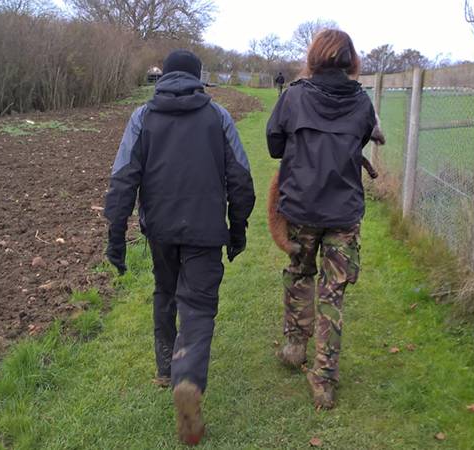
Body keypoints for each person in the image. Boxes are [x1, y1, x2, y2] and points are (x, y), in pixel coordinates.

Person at [104, 49, 255, 445]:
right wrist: (237, 229)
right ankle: (186, 379)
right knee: (199, 307)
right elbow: (241, 179)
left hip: (161, 231)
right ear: (198, 77)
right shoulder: (217, 117)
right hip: (206, 231)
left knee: (165, 291)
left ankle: (164, 368)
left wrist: (115, 237)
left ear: (165, 78)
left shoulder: (143, 117)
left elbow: (123, 179)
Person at [266, 29, 377, 410]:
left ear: (314, 57)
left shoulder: (293, 96)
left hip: (300, 207)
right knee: (334, 293)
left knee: (299, 272)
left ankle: (295, 344)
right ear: (351, 61)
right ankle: (324, 379)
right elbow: (359, 142)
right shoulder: (363, 103)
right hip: (344, 213)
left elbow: (274, 145)